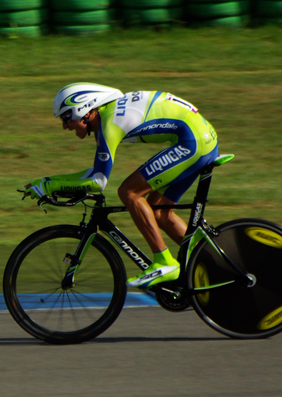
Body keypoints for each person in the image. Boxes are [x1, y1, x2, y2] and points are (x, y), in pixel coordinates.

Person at [24, 83, 219, 289]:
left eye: (65, 118)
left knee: (129, 192)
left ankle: (165, 262)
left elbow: (97, 182)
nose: (64, 126)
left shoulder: (110, 124)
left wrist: (50, 186)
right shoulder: (106, 119)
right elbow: (93, 173)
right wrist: (48, 183)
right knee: (159, 211)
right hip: (199, 139)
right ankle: (212, 263)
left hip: (194, 142)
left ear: (83, 110)